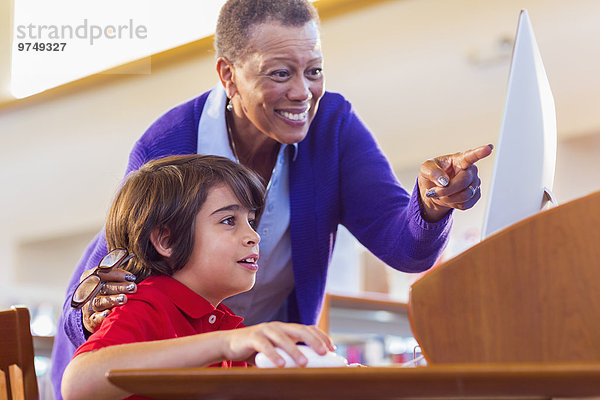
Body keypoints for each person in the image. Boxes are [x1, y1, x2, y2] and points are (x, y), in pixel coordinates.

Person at [51, 0, 493, 398]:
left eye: (314, 70)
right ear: (228, 75)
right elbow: (116, 275)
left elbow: (405, 246)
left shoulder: (333, 128)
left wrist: (434, 202)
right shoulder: (169, 145)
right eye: (280, 72)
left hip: (246, 351)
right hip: (139, 363)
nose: (302, 91)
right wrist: (93, 310)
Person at [61, 155, 335, 400]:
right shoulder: (147, 305)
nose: (254, 236)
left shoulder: (223, 323)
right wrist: (224, 346)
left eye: (251, 221)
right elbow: (78, 383)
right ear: (166, 240)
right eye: (229, 221)